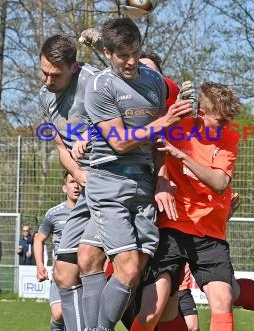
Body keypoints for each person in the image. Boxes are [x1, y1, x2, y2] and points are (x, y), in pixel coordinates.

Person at [77, 17, 193, 331]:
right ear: (107, 52)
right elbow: (120, 142)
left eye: (134, 52)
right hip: (110, 182)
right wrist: (164, 121)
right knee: (126, 270)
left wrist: (162, 177)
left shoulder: (154, 82)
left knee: (114, 263)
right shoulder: (100, 86)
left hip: (143, 185)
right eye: (121, 55)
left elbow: (159, 139)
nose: (130, 61)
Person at [130, 82, 242, 331]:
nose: (225, 127)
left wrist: (180, 155)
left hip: (209, 232)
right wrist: (162, 178)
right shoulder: (178, 126)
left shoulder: (229, 138)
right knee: (154, 309)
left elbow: (220, 183)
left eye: (229, 121)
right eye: (221, 120)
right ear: (201, 114)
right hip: (172, 226)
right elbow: (156, 145)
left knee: (225, 299)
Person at [38, 34, 102, 331]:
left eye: (55, 74)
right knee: (64, 272)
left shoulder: (95, 81)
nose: (48, 80)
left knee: (92, 262)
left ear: (74, 67)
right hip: (84, 181)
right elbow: (62, 149)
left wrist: (92, 136)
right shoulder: (44, 97)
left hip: (113, 178)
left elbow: (127, 125)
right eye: (43, 72)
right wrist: (77, 174)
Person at [34, 171, 81, 331]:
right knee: (59, 314)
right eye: (71, 182)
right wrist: (40, 266)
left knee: (81, 320)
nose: (76, 186)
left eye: (78, 182)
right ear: (64, 187)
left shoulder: (93, 211)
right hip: (61, 274)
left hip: (86, 276)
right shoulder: (54, 213)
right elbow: (38, 239)